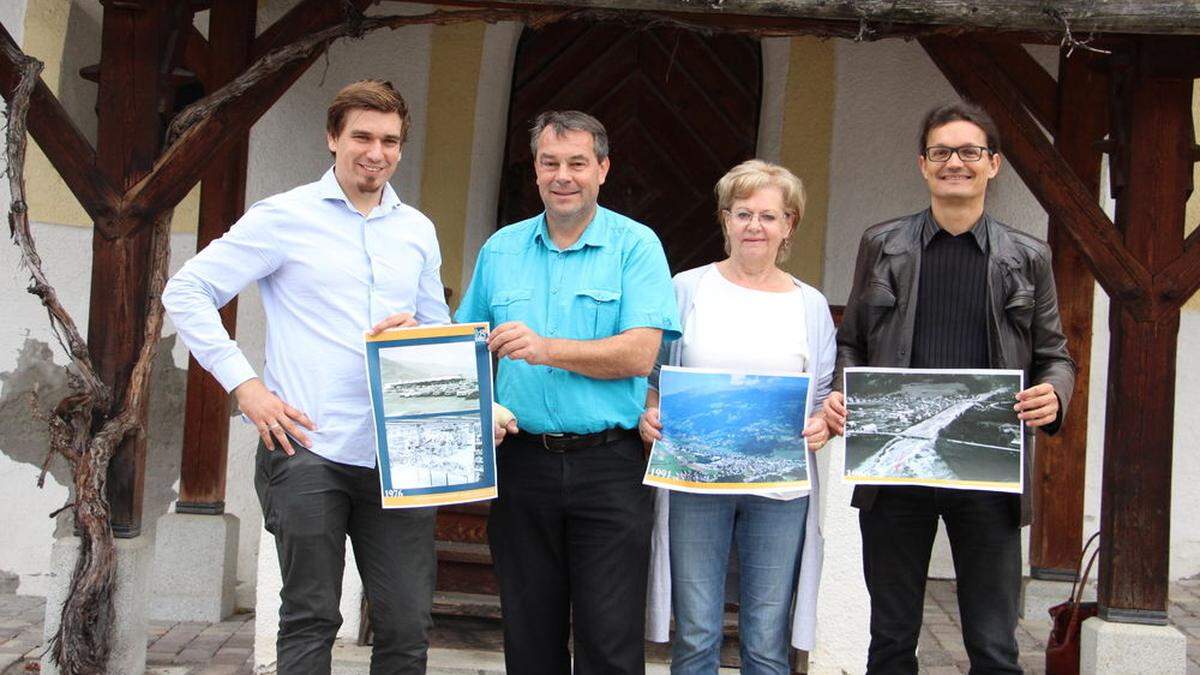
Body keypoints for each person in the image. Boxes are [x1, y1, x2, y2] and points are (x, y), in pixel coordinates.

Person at [163, 80, 450, 674]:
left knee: (405, 621)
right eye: (362, 136)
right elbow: (187, 290)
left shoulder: (417, 230)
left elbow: (436, 331)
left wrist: (416, 336)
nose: (376, 152)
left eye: (390, 140)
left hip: (400, 452)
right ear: (332, 138)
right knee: (310, 615)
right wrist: (247, 387)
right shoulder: (283, 217)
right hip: (308, 445)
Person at [823, 102, 1076, 674]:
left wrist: (1054, 395)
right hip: (896, 470)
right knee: (890, 637)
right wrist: (843, 390)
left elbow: (1054, 355)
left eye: (969, 152)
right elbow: (852, 343)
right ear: (923, 164)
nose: (954, 162)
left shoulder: (1027, 256)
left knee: (993, 643)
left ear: (994, 165)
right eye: (941, 152)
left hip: (988, 466)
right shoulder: (883, 244)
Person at [454, 110, 680, 674]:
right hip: (522, 463)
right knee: (529, 636)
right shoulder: (500, 249)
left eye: (578, 163)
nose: (563, 175)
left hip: (610, 465)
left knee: (610, 639)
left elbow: (638, 354)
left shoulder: (636, 245)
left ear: (602, 169)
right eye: (550, 163)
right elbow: (464, 350)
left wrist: (546, 349)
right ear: (534, 171)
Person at [638, 160, 835, 674]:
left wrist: (822, 424)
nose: (754, 226)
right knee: (698, 631)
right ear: (725, 219)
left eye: (768, 216)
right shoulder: (687, 289)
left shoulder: (810, 306)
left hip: (780, 490)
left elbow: (824, 399)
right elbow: (654, 376)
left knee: (767, 636)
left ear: (789, 224)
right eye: (743, 213)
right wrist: (649, 413)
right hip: (695, 482)